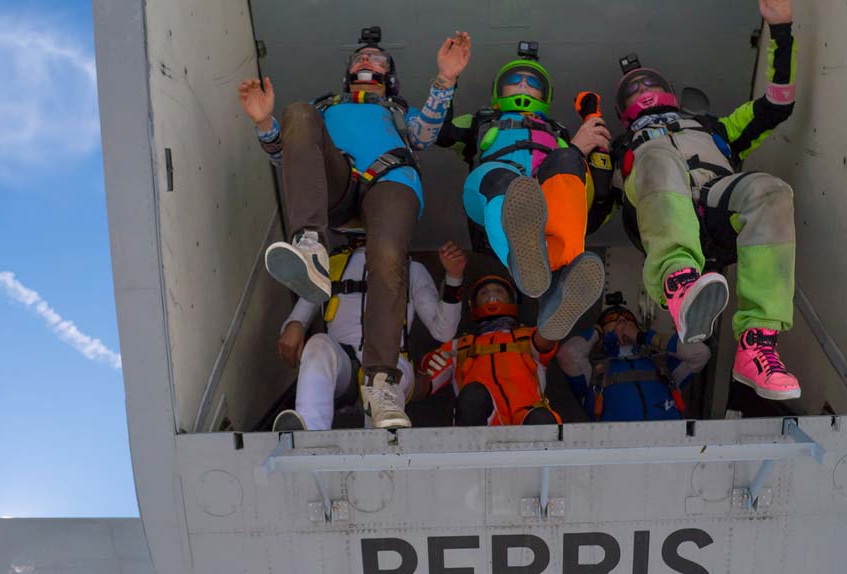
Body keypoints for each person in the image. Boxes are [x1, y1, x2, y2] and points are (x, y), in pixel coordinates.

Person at [238, 27, 472, 426]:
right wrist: (265, 124)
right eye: (359, 57)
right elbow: (289, 158)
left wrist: (445, 79)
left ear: (389, 76)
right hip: (339, 182)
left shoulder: (398, 111)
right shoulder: (325, 108)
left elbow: (426, 134)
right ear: (348, 72)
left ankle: (382, 386)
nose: (366, 60)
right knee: (297, 113)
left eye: (377, 59)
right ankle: (310, 243)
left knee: (387, 258)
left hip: (391, 182)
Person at [607, 0, 802, 400]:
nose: (643, 91)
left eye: (651, 85)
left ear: (672, 94)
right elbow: (588, 205)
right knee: (657, 155)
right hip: (660, 216)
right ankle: (679, 285)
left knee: (771, 191)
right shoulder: (619, 147)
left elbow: (777, 104)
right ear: (621, 111)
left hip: (716, 213)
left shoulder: (715, 128)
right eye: (634, 89)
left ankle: (757, 344)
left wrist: (781, 31)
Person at [436, 41, 611, 342]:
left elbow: (589, 200)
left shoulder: (559, 134)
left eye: (532, 83)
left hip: (542, 214)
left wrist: (581, 149)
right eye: (514, 80)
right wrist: (446, 80)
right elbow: (440, 132)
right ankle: (523, 261)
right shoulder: (482, 121)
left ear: (545, 95)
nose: (523, 86)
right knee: (506, 182)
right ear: (498, 91)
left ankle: (557, 286)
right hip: (490, 197)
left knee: (567, 159)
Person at [272, 240, 467, 430]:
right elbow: (294, 323)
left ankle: (381, 443)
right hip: (344, 365)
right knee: (318, 344)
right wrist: (294, 325)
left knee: (387, 377)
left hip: (392, 362)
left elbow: (443, 330)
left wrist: (454, 277)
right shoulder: (330, 264)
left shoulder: (411, 269)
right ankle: (308, 433)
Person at [418, 274, 560, 426]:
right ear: (473, 304)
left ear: (513, 301)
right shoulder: (458, 347)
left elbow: (547, 338)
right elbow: (419, 391)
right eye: (484, 293)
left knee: (541, 417)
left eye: (499, 291)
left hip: (527, 421)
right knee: (473, 394)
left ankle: (559, 306)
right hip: (483, 425)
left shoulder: (527, 337)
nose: (492, 295)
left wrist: (552, 313)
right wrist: (424, 370)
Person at [558, 303, 710, 421]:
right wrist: (598, 333)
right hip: (617, 453)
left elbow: (700, 354)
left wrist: (646, 337)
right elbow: (568, 354)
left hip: (669, 446)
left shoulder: (661, 364)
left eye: (627, 317)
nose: (622, 320)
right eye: (611, 319)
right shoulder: (593, 372)